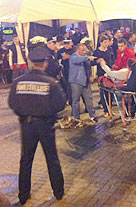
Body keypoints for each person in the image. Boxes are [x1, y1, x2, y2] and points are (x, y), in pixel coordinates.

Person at [8, 47, 66, 205]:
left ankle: (23, 195)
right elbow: (60, 104)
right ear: (45, 64)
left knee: (26, 160)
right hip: (45, 124)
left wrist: (24, 113)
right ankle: (59, 192)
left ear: (31, 63)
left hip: (26, 125)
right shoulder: (51, 82)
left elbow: (12, 103)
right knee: (52, 158)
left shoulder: (18, 81)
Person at [69, 44, 98, 126]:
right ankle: (76, 118)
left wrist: (90, 75)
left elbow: (88, 67)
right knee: (76, 101)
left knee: (89, 99)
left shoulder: (85, 57)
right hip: (76, 81)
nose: (85, 52)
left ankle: (92, 115)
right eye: (83, 50)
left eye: (85, 50)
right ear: (77, 50)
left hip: (86, 81)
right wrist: (87, 57)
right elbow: (77, 60)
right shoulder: (73, 57)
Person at [93, 35, 114, 117]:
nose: (106, 44)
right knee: (103, 92)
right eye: (105, 42)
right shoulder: (96, 52)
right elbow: (92, 62)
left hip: (110, 73)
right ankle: (106, 110)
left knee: (111, 91)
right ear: (101, 43)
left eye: (107, 42)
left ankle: (110, 109)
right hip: (101, 73)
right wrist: (98, 61)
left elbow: (113, 59)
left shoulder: (110, 50)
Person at [57, 39, 76, 105]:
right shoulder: (60, 51)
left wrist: (70, 57)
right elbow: (58, 61)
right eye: (65, 44)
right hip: (66, 72)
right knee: (69, 88)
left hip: (76, 71)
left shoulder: (75, 49)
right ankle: (71, 104)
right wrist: (62, 59)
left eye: (68, 44)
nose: (67, 45)